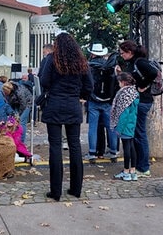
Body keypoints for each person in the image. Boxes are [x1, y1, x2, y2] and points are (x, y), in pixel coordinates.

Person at [39, 32, 93, 201]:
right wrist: (79, 94)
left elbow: (44, 81)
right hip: (72, 104)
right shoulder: (81, 62)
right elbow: (89, 86)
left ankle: (56, 191)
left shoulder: (51, 60)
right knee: (75, 146)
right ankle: (76, 188)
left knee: (55, 147)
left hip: (54, 104)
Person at [116, 40, 159, 178]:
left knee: (139, 134)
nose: (121, 55)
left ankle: (143, 167)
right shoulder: (134, 63)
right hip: (140, 100)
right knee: (136, 134)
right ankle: (138, 166)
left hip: (142, 101)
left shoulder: (139, 62)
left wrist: (143, 85)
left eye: (122, 53)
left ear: (129, 52)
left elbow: (153, 73)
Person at [85, 43, 118, 161]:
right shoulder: (110, 66)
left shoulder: (89, 66)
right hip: (108, 100)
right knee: (111, 127)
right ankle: (113, 151)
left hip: (94, 100)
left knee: (93, 127)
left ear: (92, 53)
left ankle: (92, 152)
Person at [111, 72, 139, 181]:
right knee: (132, 147)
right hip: (132, 124)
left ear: (123, 82)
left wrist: (119, 128)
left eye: (119, 82)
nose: (118, 84)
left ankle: (126, 171)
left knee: (126, 148)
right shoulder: (134, 92)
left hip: (125, 125)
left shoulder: (124, 94)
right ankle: (133, 171)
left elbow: (124, 113)